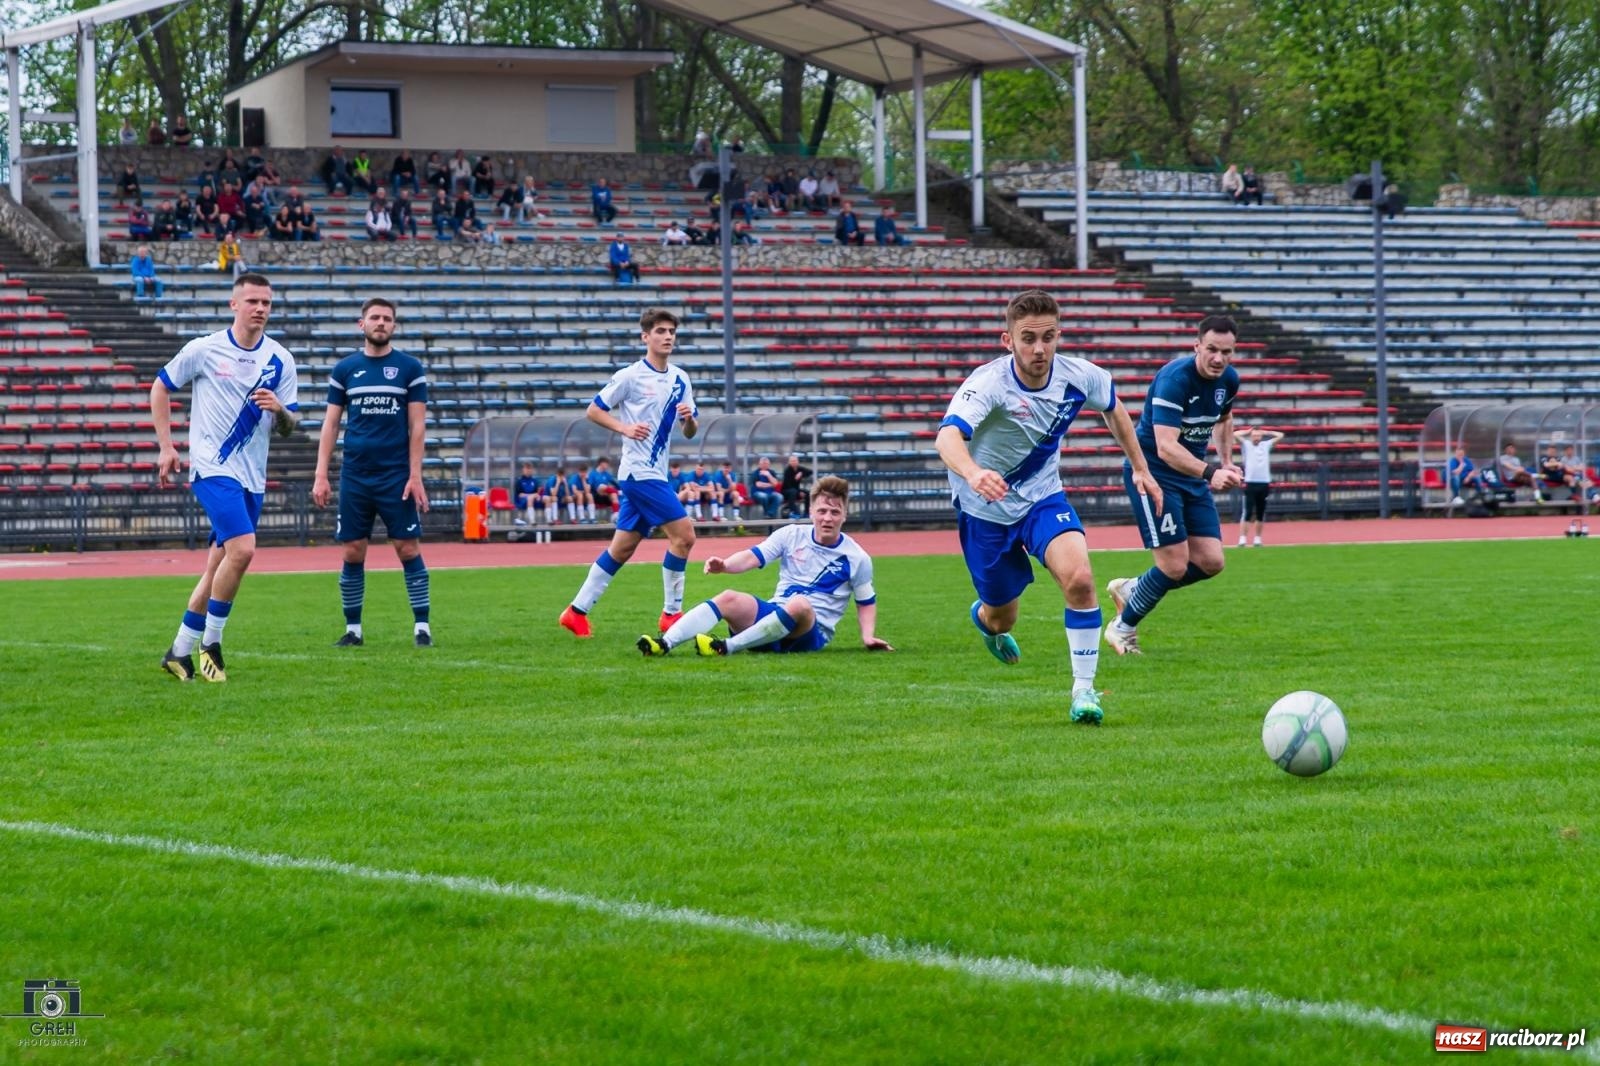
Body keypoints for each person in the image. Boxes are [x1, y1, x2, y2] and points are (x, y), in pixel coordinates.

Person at [936, 289, 1159, 725]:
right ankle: (985, 620)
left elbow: (1113, 408)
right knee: (1002, 618)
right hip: (985, 509)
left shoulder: (1080, 376)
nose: (1039, 348)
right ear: (1008, 341)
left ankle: (1084, 691)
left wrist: (1139, 467)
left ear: (1059, 335)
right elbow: (947, 437)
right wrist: (973, 472)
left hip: (1043, 499)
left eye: (1049, 337)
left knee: (1080, 579)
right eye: (1028, 338)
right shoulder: (987, 383)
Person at [153, 272, 299, 682]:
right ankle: (211, 643)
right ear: (234, 305)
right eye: (253, 301)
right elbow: (160, 388)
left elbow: (291, 427)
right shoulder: (205, 349)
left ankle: (178, 651)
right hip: (212, 468)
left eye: (267, 303)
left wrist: (280, 411)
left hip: (253, 477)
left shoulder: (280, 360)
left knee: (218, 563)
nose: (260, 309)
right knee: (244, 550)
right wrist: (167, 446)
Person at [1103, 315, 1242, 658]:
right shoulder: (1174, 380)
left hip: (1190, 477)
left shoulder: (1229, 380)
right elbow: (1166, 447)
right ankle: (1122, 628)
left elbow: (1224, 419)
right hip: (1154, 475)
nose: (1218, 359)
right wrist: (1211, 472)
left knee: (1211, 562)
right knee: (1174, 565)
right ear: (1197, 346)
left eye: (1226, 352)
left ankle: (1134, 587)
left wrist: (1226, 461)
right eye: (1211, 349)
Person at [559, 308, 699, 639]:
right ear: (645, 336)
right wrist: (624, 427)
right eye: (661, 331)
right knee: (684, 536)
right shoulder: (630, 376)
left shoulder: (681, 378)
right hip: (639, 473)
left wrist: (690, 419)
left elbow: (690, 431)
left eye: (671, 332)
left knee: (621, 549)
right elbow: (593, 410)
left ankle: (575, 612)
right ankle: (671, 615)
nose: (667, 337)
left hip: (656, 474)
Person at [639, 475, 893, 658]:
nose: (828, 518)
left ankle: (726, 647)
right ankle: (664, 643)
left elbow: (865, 601)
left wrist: (867, 637)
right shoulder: (791, 534)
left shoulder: (856, 557)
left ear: (845, 515)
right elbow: (753, 556)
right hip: (773, 618)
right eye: (823, 510)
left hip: (809, 634)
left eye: (835, 512)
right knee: (728, 598)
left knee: (800, 604)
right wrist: (725, 565)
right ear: (812, 511)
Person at [311, 297, 433, 648]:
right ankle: (353, 630)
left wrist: (415, 474)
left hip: (396, 475)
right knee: (352, 550)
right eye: (375, 317)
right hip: (355, 475)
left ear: (394, 326)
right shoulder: (345, 369)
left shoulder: (409, 368)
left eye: (388, 319)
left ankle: (422, 626)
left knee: (407, 548)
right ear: (361, 324)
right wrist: (321, 473)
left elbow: (418, 425)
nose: (381, 323)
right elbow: (331, 424)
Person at [1235, 426, 1284, 546]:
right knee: (1247, 512)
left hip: (1264, 482)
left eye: (1258, 435)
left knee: (1260, 512)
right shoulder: (1246, 445)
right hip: (1251, 482)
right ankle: (1243, 538)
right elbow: (1235, 434)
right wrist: (1247, 432)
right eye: (1254, 435)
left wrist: (1267, 432)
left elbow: (1280, 435)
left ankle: (1257, 538)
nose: (1256, 437)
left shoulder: (1265, 445)